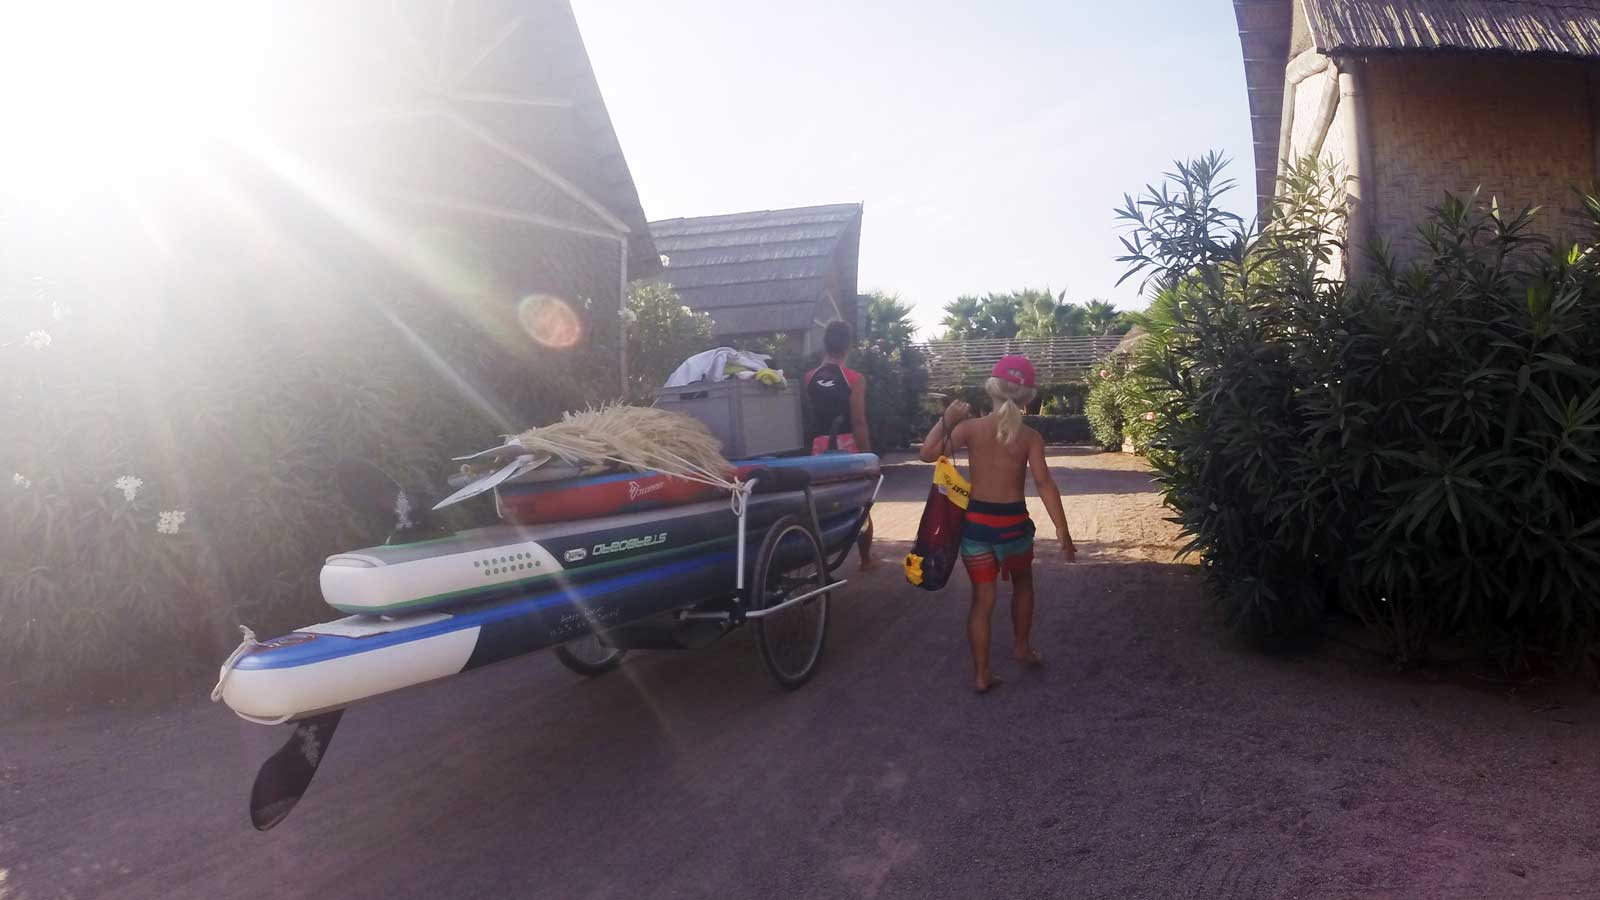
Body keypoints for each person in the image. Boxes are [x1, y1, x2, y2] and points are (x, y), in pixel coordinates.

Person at [918, 354, 1075, 693]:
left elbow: (927, 453)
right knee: (1023, 585)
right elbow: (1045, 483)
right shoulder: (1031, 437)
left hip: (977, 527)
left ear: (990, 389)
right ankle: (1021, 647)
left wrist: (946, 418)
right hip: (1015, 526)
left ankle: (981, 674)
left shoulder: (970, 429)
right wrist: (1063, 529)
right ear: (1028, 397)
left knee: (981, 600)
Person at [805, 320, 876, 568]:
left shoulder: (809, 377)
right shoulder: (854, 378)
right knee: (860, 502)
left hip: (819, 447)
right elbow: (858, 420)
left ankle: (821, 558)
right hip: (846, 446)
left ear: (824, 345)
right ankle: (866, 559)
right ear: (848, 347)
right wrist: (869, 457)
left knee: (822, 503)